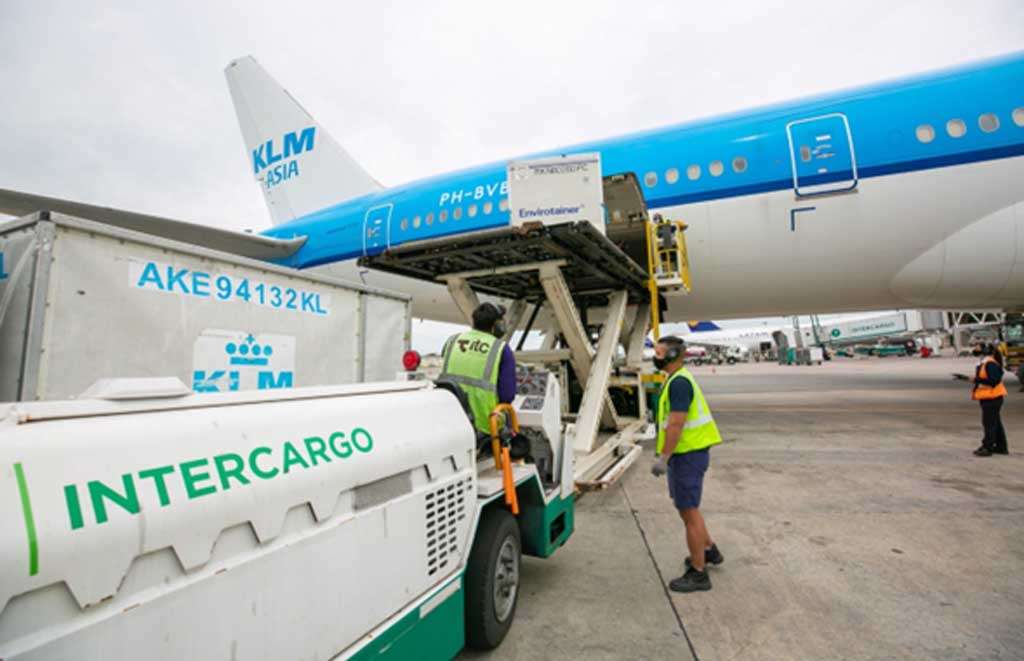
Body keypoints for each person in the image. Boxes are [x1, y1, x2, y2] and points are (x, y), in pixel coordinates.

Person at [650, 336, 724, 593]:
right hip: (689, 454)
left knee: (688, 512)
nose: (655, 357)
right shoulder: (676, 378)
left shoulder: (679, 383)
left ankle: (699, 573)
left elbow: (676, 424)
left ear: (671, 356)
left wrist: (664, 457)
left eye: (658, 353)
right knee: (687, 508)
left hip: (686, 455)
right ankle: (708, 550)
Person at [439, 302, 517, 436]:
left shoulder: (451, 341)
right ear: (497, 326)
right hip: (485, 426)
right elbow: (507, 396)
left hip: (450, 421)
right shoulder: (500, 349)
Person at [972, 343, 1008, 457]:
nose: (974, 350)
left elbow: (994, 381)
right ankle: (1001, 447)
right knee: (995, 423)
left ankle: (987, 447)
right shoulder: (984, 363)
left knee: (989, 424)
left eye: (977, 348)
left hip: (992, 397)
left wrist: (974, 379)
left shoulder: (990, 363)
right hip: (989, 397)